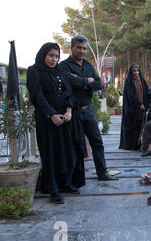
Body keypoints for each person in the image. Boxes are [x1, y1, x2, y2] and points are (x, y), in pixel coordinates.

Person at [59, 35, 118, 181]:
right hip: (73, 111)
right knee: (76, 145)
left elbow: (98, 84)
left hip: (88, 110)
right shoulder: (64, 66)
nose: (82, 51)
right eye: (79, 47)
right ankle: (75, 178)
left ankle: (102, 172)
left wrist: (80, 82)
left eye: (84, 48)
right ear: (72, 48)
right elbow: (68, 81)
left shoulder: (88, 66)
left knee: (97, 142)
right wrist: (87, 81)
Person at [26, 43, 80, 204]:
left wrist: (69, 110)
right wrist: (51, 114)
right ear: (43, 55)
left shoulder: (60, 71)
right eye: (50, 55)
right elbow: (37, 96)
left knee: (66, 151)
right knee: (49, 154)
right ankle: (53, 188)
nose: (53, 59)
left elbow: (67, 92)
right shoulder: (34, 71)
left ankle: (65, 182)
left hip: (64, 118)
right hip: (46, 119)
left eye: (56, 56)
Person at [119, 63, 150, 150]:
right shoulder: (128, 81)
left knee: (139, 126)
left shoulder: (142, 80)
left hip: (141, 109)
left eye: (137, 71)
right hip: (131, 108)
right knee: (131, 127)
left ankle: (138, 144)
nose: (136, 72)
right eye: (134, 71)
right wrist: (139, 104)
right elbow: (130, 95)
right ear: (131, 72)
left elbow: (146, 92)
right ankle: (130, 145)